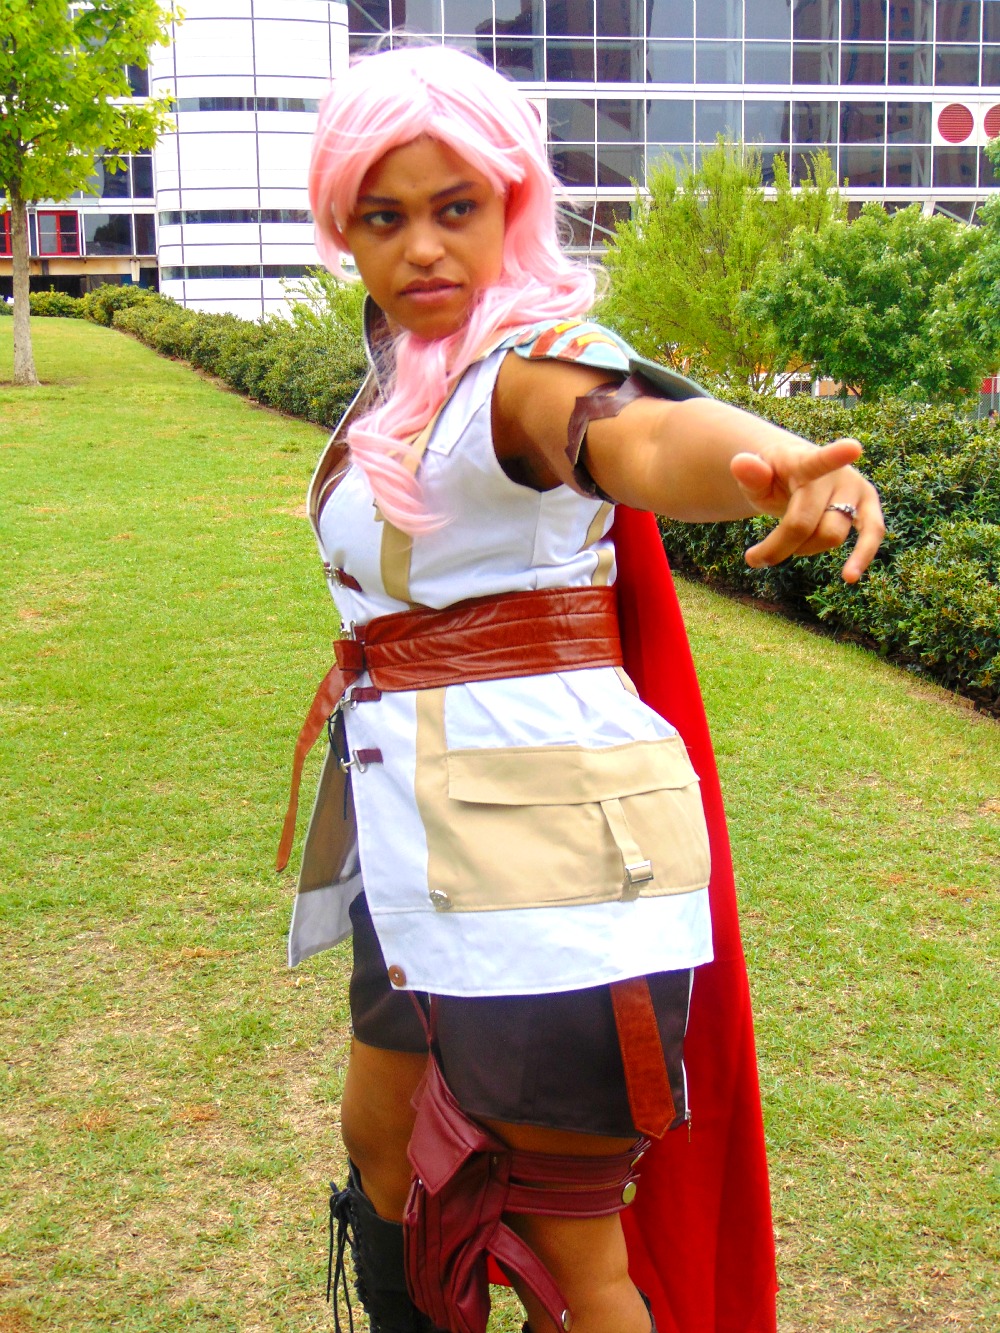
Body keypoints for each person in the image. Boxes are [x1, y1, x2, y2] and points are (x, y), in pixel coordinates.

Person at [279, 43, 885, 1333]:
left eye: (456, 207)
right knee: (384, 1148)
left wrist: (777, 461)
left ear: (511, 201)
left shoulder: (532, 364)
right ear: (344, 228)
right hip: (411, 828)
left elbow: (641, 431)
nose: (422, 248)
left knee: (570, 1251)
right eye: (383, 218)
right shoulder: (404, 380)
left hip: (552, 858)